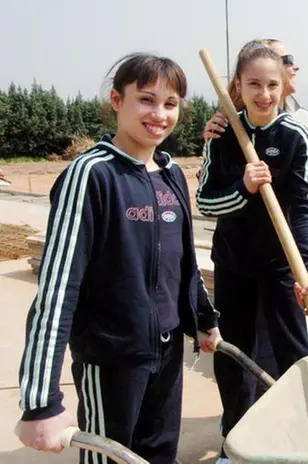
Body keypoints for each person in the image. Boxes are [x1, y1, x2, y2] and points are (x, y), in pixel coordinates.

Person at [16, 53, 221, 463]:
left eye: (170, 103)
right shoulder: (91, 174)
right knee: (111, 458)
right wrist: (40, 401)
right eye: (146, 100)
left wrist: (204, 320)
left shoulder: (171, 174)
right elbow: (58, 289)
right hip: (110, 360)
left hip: (165, 354)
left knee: (159, 454)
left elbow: (184, 263)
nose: (159, 114)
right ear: (116, 99)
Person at [195, 44, 308, 462]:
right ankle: (235, 443)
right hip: (234, 264)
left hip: (282, 265)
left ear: (284, 84)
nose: (264, 93)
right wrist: (243, 189)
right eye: (254, 83)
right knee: (234, 356)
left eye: (272, 84)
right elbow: (205, 201)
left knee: (296, 355)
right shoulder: (221, 135)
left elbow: (306, 209)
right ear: (238, 85)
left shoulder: (295, 135)